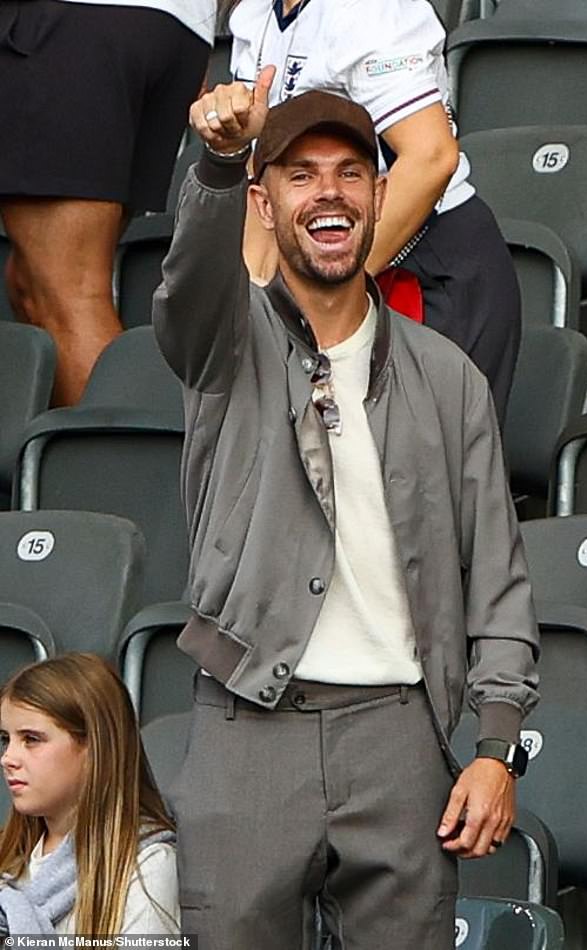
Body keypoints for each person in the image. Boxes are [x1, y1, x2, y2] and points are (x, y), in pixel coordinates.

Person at [154, 77, 539, 950]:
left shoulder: (448, 377)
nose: (328, 191)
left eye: (349, 172)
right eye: (298, 174)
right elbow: (186, 292)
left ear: (377, 193)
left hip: (401, 737)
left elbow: (500, 577)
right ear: (265, 201)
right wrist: (218, 164)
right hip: (248, 725)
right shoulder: (227, 343)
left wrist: (496, 743)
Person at [217, 0, 521, 426]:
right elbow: (265, 178)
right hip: (327, 260)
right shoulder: (257, 14)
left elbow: (431, 156)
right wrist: (257, 309)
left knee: (425, 479)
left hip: (429, 266)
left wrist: (327, 297)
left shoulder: (370, 8)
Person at [0, 0, 214, 406]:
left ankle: (132, 467)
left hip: (72, 24)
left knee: (68, 294)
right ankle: (70, 464)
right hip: (177, 30)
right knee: (30, 284)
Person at [0, 653, 179, 935]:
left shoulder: (145, 865)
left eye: (31, 739)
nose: (8, 758)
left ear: (95, 748)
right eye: (5, 740)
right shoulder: (8, 858)